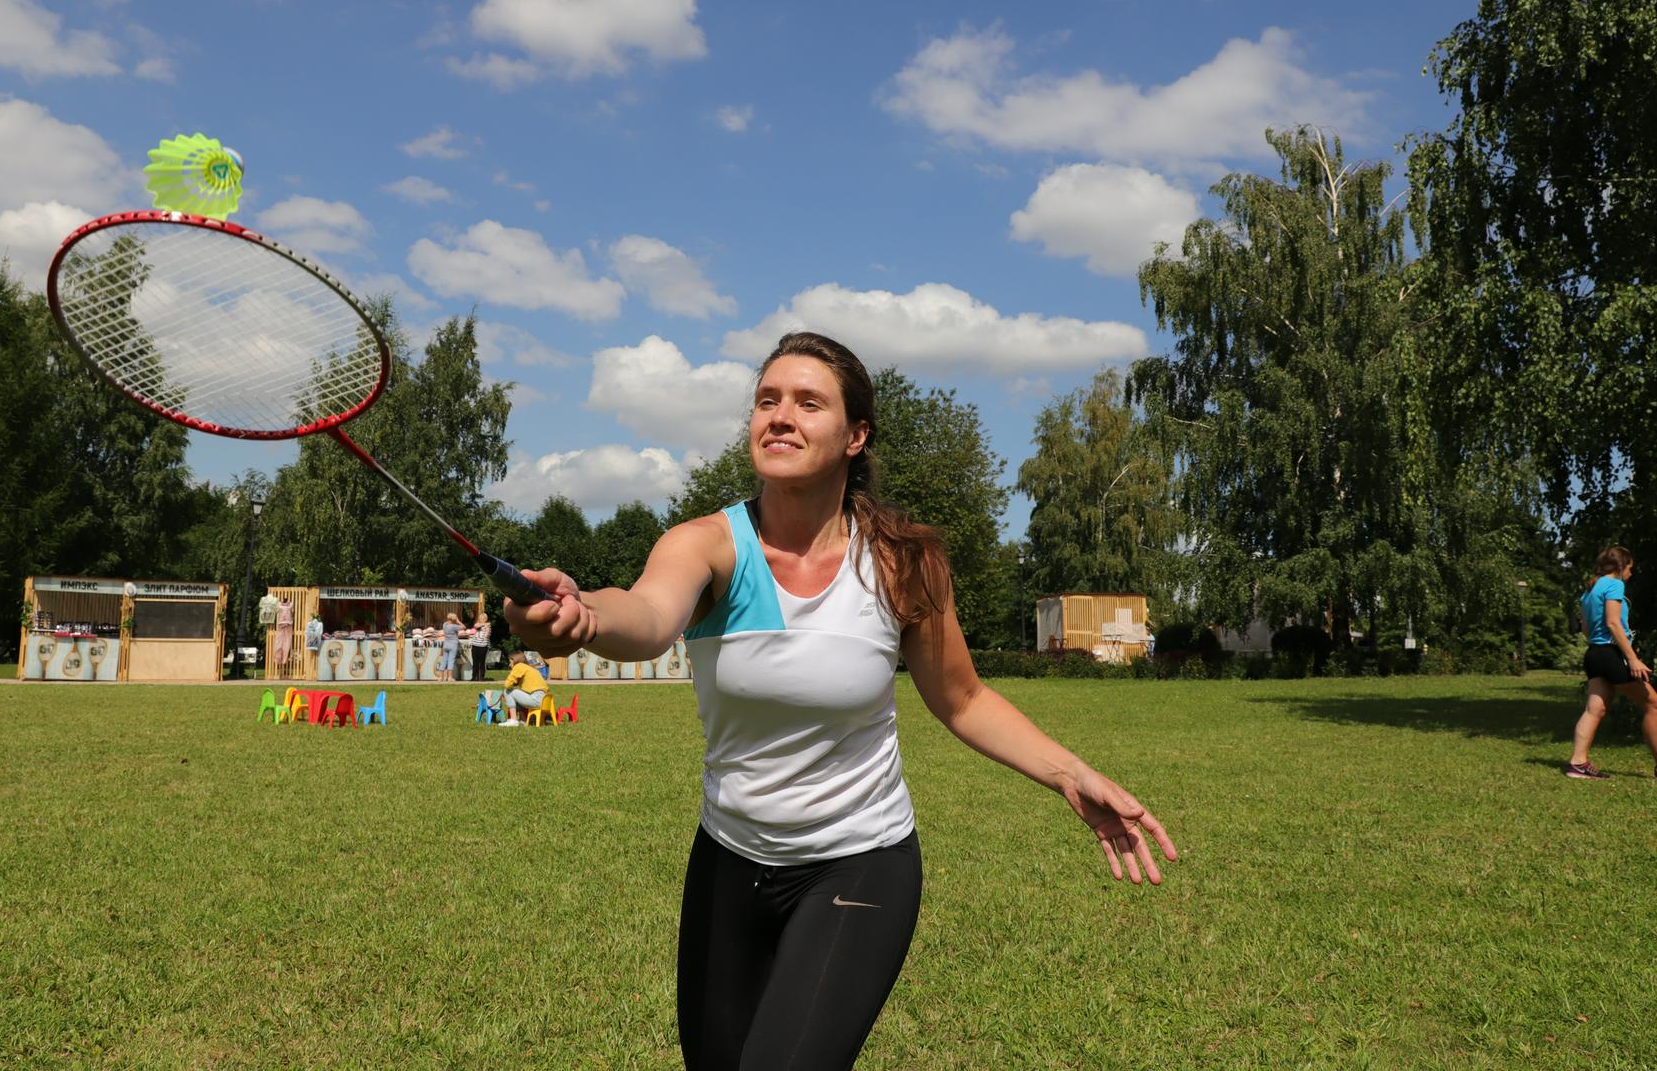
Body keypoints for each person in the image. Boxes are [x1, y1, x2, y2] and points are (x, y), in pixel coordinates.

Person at [503, 331, 1178, 1070]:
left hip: (860, 863)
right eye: (767, 400)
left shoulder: (902, 561)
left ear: (856, 435)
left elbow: (961, 699)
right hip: (727, 861)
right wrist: (582, 616)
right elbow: (646, 614)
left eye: (807, 403)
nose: (779, 416)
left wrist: (1069, 774)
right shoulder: (707, 544)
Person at [1567, 546, 1657, 781]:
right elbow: (1613, 623)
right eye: (1629, 568)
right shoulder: (1614, 584)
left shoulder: (1589, 590)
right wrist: (1632, 658)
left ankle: (1577, 763)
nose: (1630, 573)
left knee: (1595, 709)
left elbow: (1586, 629)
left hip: (1594, 653)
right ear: (1621, 566)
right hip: (1611, 653)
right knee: (1654, 705)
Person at [483, 649, 549, 724]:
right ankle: (523, 720)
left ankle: (513, 720)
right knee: (518, 695)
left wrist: (509, 686)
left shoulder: (519, 666)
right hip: (545, 701)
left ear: (514, 661)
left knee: (508, 691)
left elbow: (507, 685)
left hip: (536, 699)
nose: (509, 665)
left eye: (510, 662)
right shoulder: (530, 668)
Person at [438, 611, 462, 683]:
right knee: (451, 661)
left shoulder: (444, 624)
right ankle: (450, 677)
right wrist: (458, 621)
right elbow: (464, 627)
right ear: (454, 619)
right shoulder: (454, 626)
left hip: (446, 644)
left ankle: (440, 677)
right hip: (453, 645)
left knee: (444, 660)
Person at [469, 611, 491, 685]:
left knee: (482, 662)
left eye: (482, 618)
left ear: (485, 619)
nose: (480, 619)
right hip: (475, 645)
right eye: (480, 618)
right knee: (475, 662)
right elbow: (473, 629)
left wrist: (485, 626)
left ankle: (481, 677)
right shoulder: (477, 624)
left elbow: (487, 633)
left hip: (483, 646)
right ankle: (474, 677)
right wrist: (483, 624)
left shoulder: (488, 625)